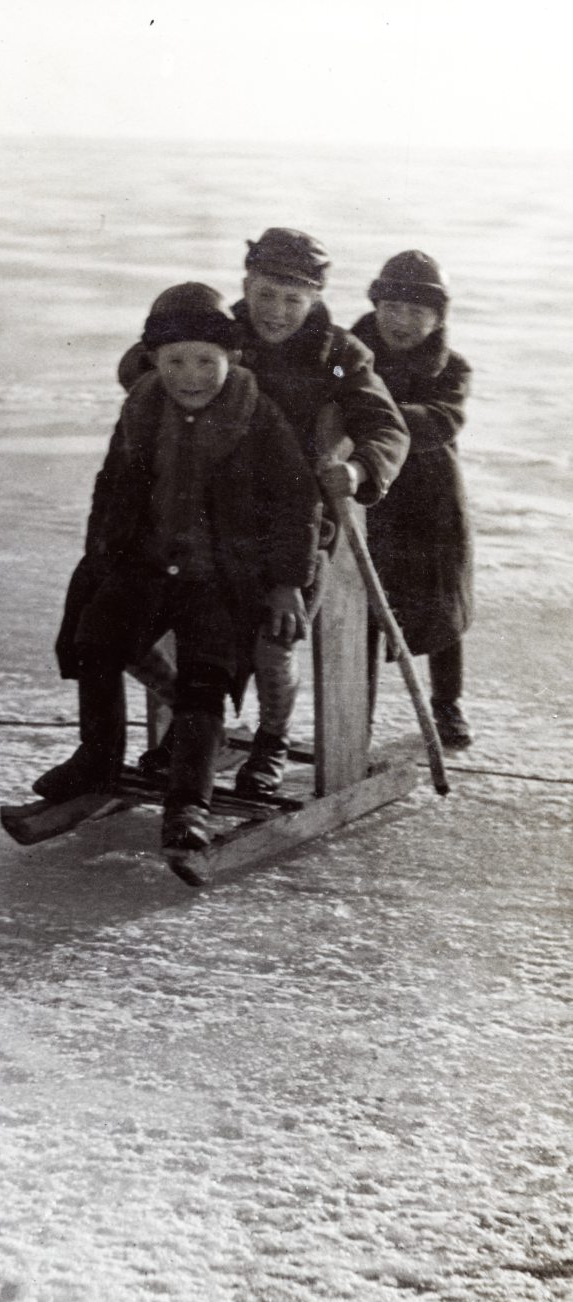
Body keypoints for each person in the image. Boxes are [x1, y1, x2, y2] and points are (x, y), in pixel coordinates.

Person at [119, 229, 410, 795]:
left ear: (315, 297)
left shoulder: (338, 356)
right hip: (204, 517)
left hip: (294, 526)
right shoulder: (220, 330)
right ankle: (199, 719)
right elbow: (140, 366)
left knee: (274, 644)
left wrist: (358, 470)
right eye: (265, 295)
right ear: (246, 285)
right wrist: (170, 349)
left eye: (293, 299)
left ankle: (271, 740)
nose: (276, 312)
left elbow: (385, 426)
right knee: (138, 626)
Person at [37, 282, 322, 860]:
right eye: (175, 362)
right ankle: (97, 758)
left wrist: (287, 582)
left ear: (231, 356)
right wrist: (100, 560)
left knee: (204, 679)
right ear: (153, 360)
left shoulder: (258, 415)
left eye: (205, 362)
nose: (190, 376)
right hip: (148, 566)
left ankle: (189, 803)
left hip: (224, 576)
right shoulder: (141, 408)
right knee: (96, 642)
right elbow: (111, 488)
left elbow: (298, 503)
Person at [352, 251, 474, 748]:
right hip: (368, 495)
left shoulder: (453, 368)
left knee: (443, 610)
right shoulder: (345, 356)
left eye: (416, 311)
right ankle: (356, 713)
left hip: (431, 501)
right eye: (391, 308)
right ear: (376, 307)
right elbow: (322, 391)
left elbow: (443, 420)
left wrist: (373, 413)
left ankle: (447, 703)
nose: (401, 321)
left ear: (438, 318)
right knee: (364, 609)